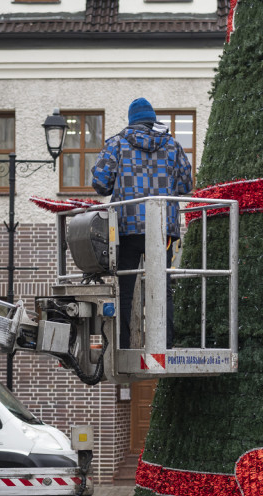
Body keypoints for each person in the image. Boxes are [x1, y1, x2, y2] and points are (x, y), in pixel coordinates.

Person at [91, 97, 193, 349]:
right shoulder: (172, 146)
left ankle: (124, 344)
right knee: (162, 287)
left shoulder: (116, 144)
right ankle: (165, 344)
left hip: (126, 228)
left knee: (124, 289)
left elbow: (100, 184)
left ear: (131, 121)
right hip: (162, 229)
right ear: (152, 119)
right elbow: (185, 186)